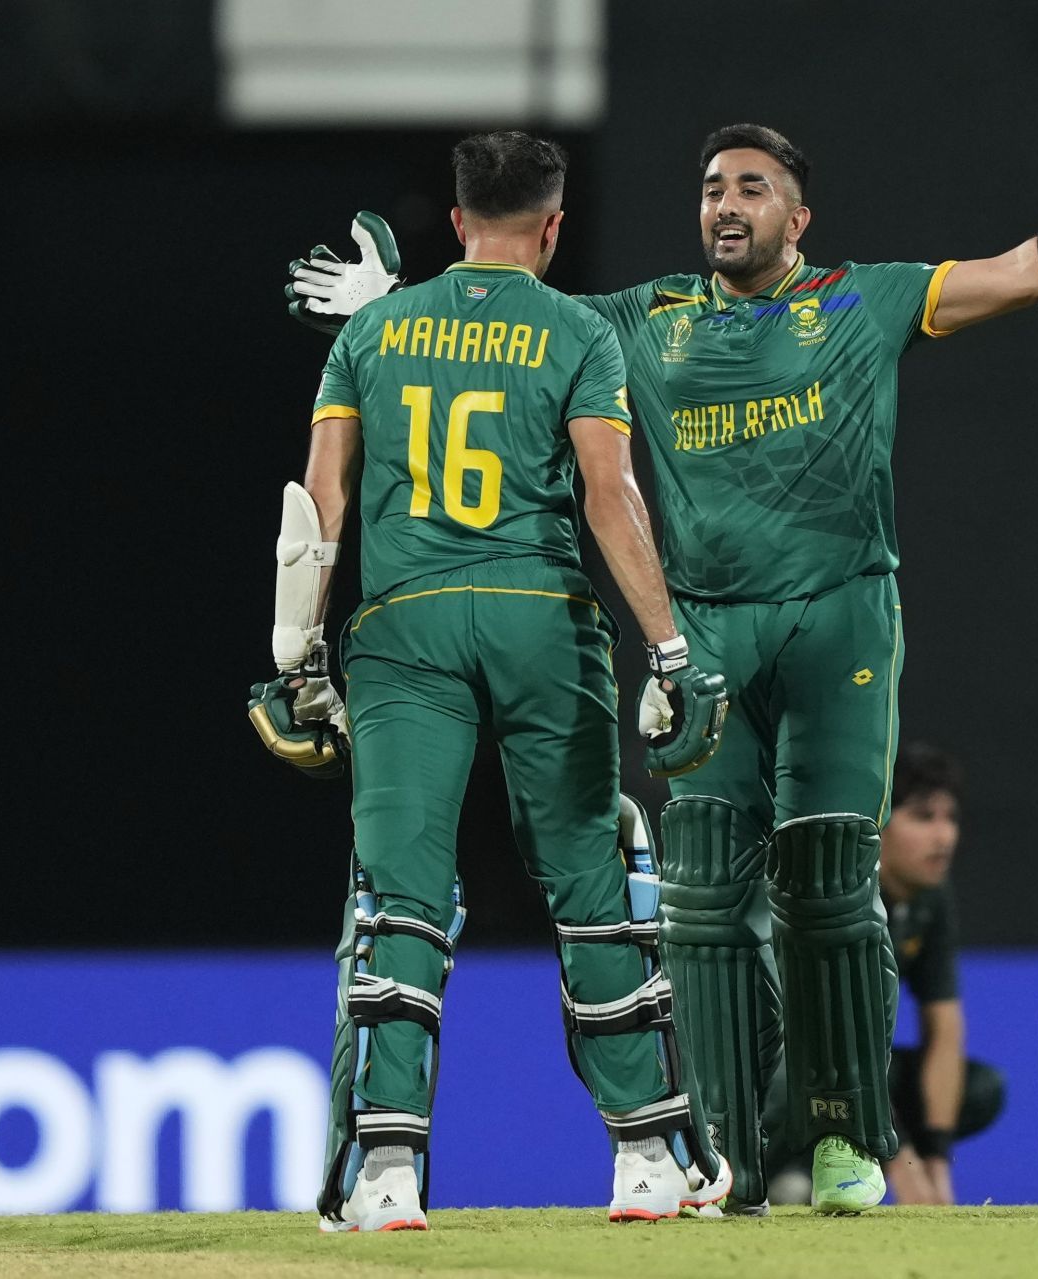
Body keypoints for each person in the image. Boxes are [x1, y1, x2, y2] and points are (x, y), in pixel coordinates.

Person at [286, 114, 1038, 1216]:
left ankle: (847, 1137)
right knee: (699, 900)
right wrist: (393, 303)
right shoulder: (638, 324)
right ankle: (722, 1155)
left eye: (752, 187)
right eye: (710, 187)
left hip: (838, 621)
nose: (725, 203)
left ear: (798, 217)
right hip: (705, 629)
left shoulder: (865, 298)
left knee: (828, 888)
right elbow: (502, 325)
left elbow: (1014, 275)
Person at [248, 131, 734, 1232]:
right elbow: (611, 496)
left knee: (400, 891)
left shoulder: (369, 334)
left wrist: (293, 659)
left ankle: (384, 1178)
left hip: (403, 628)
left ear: (458, 221)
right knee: (590, 884)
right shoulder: (576, 332)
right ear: (553, 228)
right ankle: (650, 1159)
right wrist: (669, 650)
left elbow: (316, 505)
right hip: (539, 619)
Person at [875, 742, 1005, 1205]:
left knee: (983, 1090)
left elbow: (944, 1030)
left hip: (858, 1074)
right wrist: (904, 1168)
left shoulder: (930, 898)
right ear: (879, 824)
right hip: (782, 1076)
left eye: (950, 818)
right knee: (825, 1075)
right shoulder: (841, 895)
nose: (944, 836)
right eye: (923, 817)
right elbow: (829, 1048)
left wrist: (937, 1163)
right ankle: (784, 1173)